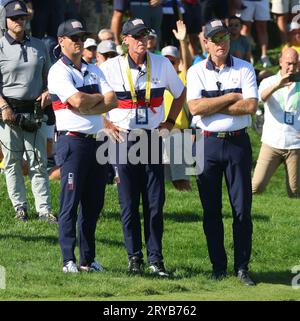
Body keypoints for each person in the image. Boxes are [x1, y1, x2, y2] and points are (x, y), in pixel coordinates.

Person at [100, 18, 186, 276]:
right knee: (128, 203)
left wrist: (170, 122)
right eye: (136, 36)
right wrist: (106, 123)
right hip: (123, 138)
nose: (142, 41)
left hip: (152, 137)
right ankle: (134, 258)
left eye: (145, 35)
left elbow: (180, 93)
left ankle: (156, 259)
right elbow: (96, 99)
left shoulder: (160, 63)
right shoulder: (111, 67)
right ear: (124, 40)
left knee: (154, 203)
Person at [187, 19, 258, 285]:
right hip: (208, 145)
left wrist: (211, 105)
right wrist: (230, 97)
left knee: (242, 210)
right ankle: (218, 267)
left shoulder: (245, 67)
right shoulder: (196, 72)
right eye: (215, 39)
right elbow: (194, 108)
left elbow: (250, 106)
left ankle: (242, 267)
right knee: (211, 211)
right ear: (205, 42)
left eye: (225, 38)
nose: (221, 43)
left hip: (238, 144)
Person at [47, 19, 118, 272]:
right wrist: (95, 101)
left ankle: (87, 259)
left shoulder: (95, 70)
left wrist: (91, 103)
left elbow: (113, 101)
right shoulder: (58, 71)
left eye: (81, 37)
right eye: (73, 37)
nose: (78, 41)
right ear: (61, 41)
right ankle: (68, 259)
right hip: (72, 141)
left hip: (97, 142)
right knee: (70, 202)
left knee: (94, 203)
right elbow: (76, 101)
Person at [0, 0, 56, 223]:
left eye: (22, 17)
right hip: (8, 111)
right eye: (14, 18)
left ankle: (44, 209)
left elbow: (50, 77)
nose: (19, 21)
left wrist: (48, 92)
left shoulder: (39, 46)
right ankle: (20, 207)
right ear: (5, 20)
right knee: (12, 161)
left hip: (34, 110)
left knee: (38, 162)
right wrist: (3, 106)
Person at [252, 48, 300, 198]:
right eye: (288, 63)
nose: (291, 68)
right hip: (271, 143)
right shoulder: (269, 81)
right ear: (280, 61)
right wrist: (277, 85)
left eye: (295, 64)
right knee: (256, 187)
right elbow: (260, 98)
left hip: (295, 145)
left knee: (295, 192)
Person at [161, 20, 192, 191]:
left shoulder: (183, 76)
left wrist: (183, 40)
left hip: (179, 133)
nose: (169, 64)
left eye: (172, 61)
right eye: (165, 61)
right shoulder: (157, 78)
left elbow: (187, 63)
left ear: (178, 63)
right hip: (160, 133)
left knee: (180, 179)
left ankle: (193, 207)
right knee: (162, 178)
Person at [240, 0, 272, 68]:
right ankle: (248, 55)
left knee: (262, 28)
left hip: (262, 1)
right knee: (245, 28)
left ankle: (264, 56)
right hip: (246, 1)